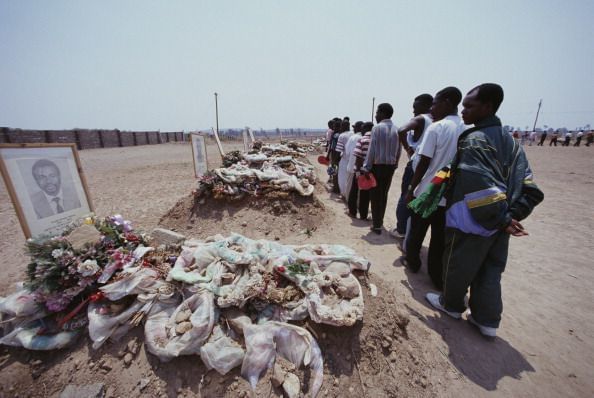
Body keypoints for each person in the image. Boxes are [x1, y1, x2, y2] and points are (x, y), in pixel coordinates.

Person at [425, 83, 544, 338]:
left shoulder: (475, 140)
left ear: (487, 107)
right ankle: (487, 320)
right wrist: (511, 216)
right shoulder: (511, 142)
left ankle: (452, 305)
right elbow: (529, 186)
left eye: (469, 106)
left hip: (474, 220)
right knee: (491, 270)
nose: (464, 110)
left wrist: (500, 218)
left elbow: (478, 183)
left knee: (458, 264)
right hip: (502, 221)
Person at [402, 87, 465, 290]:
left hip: (429, 191)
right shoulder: (467, 129)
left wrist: (411, 188)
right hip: (449, 194)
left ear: (447, 103)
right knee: (439, 239)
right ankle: (436, 277)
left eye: (435, 103)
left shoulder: (437, 128)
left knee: (417, 232)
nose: (432, 108)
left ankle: (413, 263)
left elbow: (424, 162)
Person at [390, 94, 433, 239]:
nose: (413, 111)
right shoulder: (437, 121)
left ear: (426, 105)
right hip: (429, 166)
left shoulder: (421, 119)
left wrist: (408, 148)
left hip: (415, 163)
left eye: (416, 107)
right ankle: (409, 230)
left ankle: (401, 229)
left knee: (406, 195)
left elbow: (401, 130)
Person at [361, 103, 401, 234]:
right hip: (390, 167)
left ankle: (377, 224)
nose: (376, 115)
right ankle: (380, 220)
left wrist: (366, 167)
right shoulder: (397, 129)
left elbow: (372, 149)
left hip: (377, 167)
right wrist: (395, 164)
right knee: (383, 195)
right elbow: (398, 150)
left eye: (377, 112)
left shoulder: (377, 128)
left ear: (383, 113)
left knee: (375, 195)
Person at [348, 122, 373, 219]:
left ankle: (352, 212)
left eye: (363, 129)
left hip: (360, 170)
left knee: (354, 192)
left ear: (366, 129)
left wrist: (358, 171)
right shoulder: (375, 140)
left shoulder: (362, 140)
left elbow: (358, 157)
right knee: (365, 195)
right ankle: (363, 215)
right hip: (370, 172)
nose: (361, 131)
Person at [343, 121, 363, 201]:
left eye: (354, 127)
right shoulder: (365, 138)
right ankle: (358, 204)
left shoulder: (353, 137)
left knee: (349, 186)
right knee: (360, 188)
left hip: (351, 165)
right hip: (362, 168)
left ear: (358, 128)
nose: (353, 129)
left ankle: (349, 202)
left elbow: (347, 152)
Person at [336, 120, 354, 198]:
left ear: (342, 126)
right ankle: (350, 195)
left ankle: (343, 194)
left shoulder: (342, 136)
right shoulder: (353, 134)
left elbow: (338, 151)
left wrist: (335, 161)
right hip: (353, 160)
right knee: (350, 179)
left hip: (344, 159)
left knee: (342, 178)